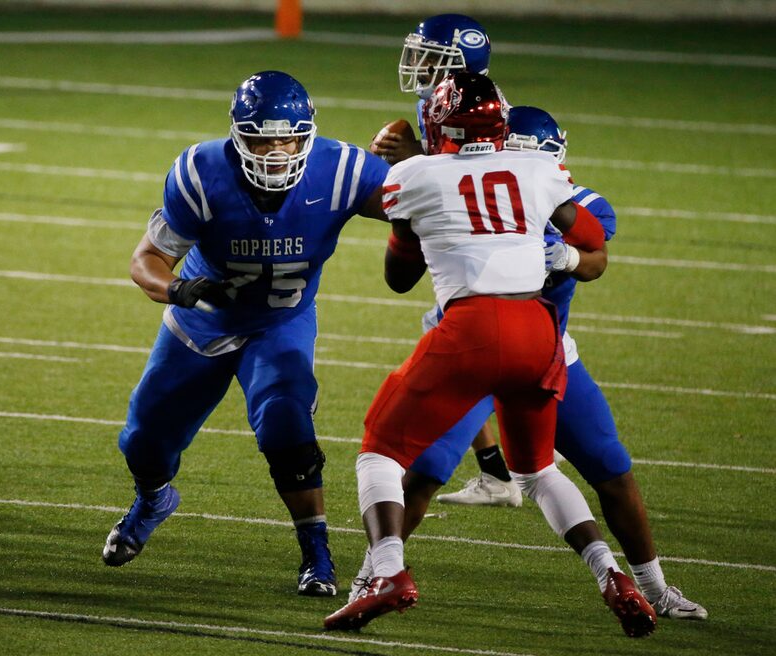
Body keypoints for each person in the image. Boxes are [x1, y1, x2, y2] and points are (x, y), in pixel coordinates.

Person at [368, 13, 709, 622]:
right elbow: (458, 188)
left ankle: (653, 585)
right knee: (428, 473)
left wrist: (570, 254)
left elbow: (587, 252)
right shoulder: (502, 159)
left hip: (515, 346)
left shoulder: (556, 189)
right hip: (519, 344)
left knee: (609, 468)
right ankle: (375, 571)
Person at [324, 72, 656, 638]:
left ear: (440, 124)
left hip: (473, 328)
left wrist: (418, 227)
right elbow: (593, 236)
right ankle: (612, 576)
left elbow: (398, 278)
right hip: (538, 328)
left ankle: (387, 575)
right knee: (537, 469)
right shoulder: (539, 169)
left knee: (379, 452)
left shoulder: (412, 174)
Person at [101, 70, 390, 598]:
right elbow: (147, 259)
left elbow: (416, 209)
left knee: (287, 429)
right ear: (238, 134)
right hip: (202, 321)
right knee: (143, 441)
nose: (276, 151)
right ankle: (153, 501)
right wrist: (176, 291)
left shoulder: (342, 168)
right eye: (261, 137)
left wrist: (419, 164)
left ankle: (317, 556)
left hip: (280, 322)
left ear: (308, 134)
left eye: (288, 137)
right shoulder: (201, 171)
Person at [373, 13, 523, 505]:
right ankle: (503, 468)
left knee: (520, 361)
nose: (417, 64)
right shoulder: (433, 103)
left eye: (430, 57)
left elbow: (476, 177)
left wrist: (414, 157)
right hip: (474, 250)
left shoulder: (484, 110)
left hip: (508, 250)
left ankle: (524, 460)